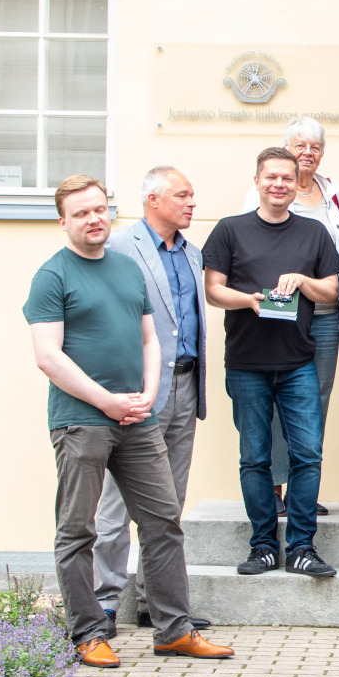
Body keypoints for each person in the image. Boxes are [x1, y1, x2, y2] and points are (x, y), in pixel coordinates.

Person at [24, 174, 232, 668]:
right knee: (79, 530)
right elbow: (48, 356)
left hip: (138, 417)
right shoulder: (52, 276)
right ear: (63, 222)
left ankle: (173, 629)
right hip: (81, 421)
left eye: (99, 209)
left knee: (163, 521)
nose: (93, 219)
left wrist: (149, 394)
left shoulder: (125, 268)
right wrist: (108, 402)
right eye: (81, 213)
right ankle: (89, 631)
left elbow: (149, 340)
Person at [203, 147, 339, 578]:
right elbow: (212, 290)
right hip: (246, 363)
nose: (279, 184)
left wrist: (303, 281)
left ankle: (301, 546)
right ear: (258, 182)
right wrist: (247, 300)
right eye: (271, 177)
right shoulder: (230, 230)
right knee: (254, 458)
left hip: (298, 360)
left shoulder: (314, 233)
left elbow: (334, 292)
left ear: (296, 182)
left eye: (287, 177)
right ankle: (263, 544)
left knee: (307, 455)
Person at [91, 166, 212, 637]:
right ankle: (103, 604)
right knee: (117, 503)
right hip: (138, 392)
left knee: (168, 504)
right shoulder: (120, 247)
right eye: (183, 195)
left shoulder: (192, 254)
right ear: (153, 199)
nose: (192, 203)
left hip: (185, 387)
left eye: (192, 195)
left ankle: (156, 604)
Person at [243, 119, 339, 521]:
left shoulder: (334, 193)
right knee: (276, 404)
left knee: (313, 401)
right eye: (299, 145)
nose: (308, 152)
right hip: (280, 315)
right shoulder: (267, 190)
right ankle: (276, 487)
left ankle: (305, 485)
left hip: (325, 312)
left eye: (315, 146)